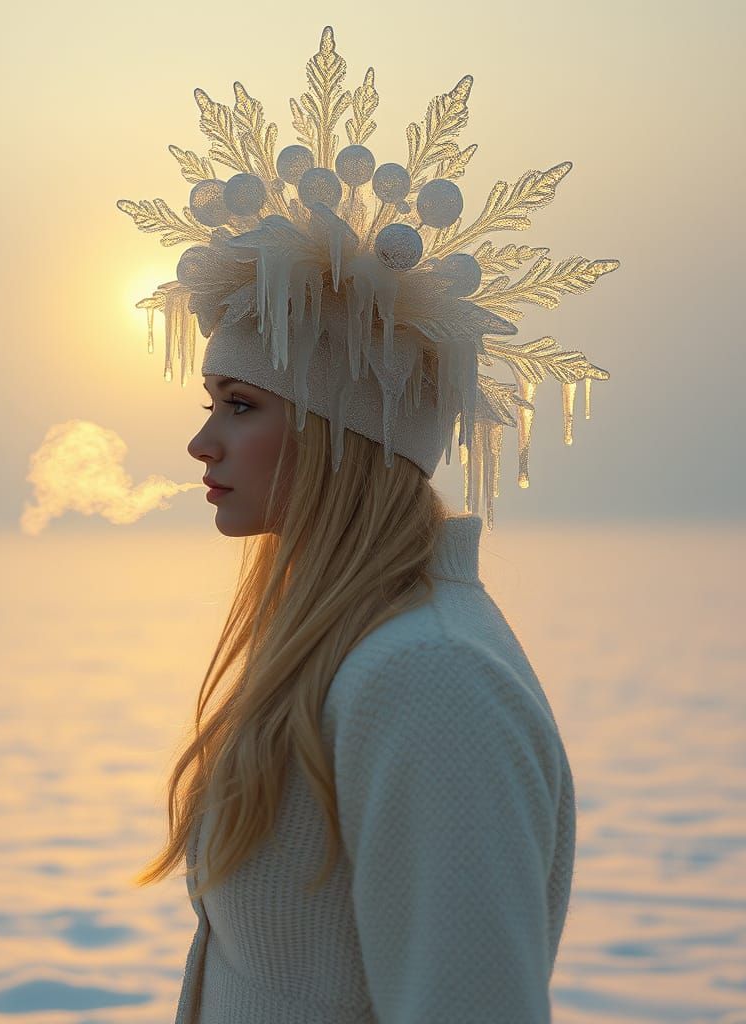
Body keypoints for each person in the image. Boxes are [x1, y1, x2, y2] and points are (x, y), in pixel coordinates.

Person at [118, 27, 617, 1022]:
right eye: (208, 403)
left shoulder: (427, 679)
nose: (201, 445)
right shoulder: (348, 652)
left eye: (242, 404)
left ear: (342, 433)